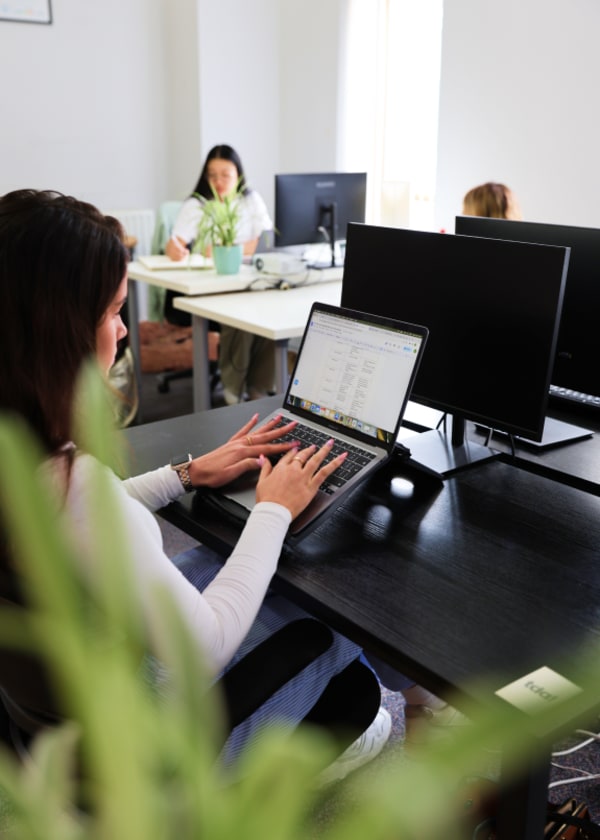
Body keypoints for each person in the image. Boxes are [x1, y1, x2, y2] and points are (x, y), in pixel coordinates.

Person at [0, 189, 391, 774]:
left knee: (219, 568)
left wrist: (185, 473)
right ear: (60, 334)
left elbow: (81, 524)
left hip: (64, 725)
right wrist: (274, 508)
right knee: (337, 637)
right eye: (112, 314)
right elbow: (204, 647)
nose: (125, 332)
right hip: (139, 755)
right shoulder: (77, 487)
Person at [166, 144, 275, 406]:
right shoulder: (199, 204)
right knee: (240, 313)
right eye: (212, 174)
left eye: (225, 174)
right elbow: (174, 245)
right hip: (210, 288)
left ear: (238, 174)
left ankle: (259, 389)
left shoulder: (250, 200)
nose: (218, 181)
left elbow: (268, 241)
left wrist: (221, 249)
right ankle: (233, 392)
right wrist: (176, 248)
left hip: (250, 281)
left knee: (270, 314)